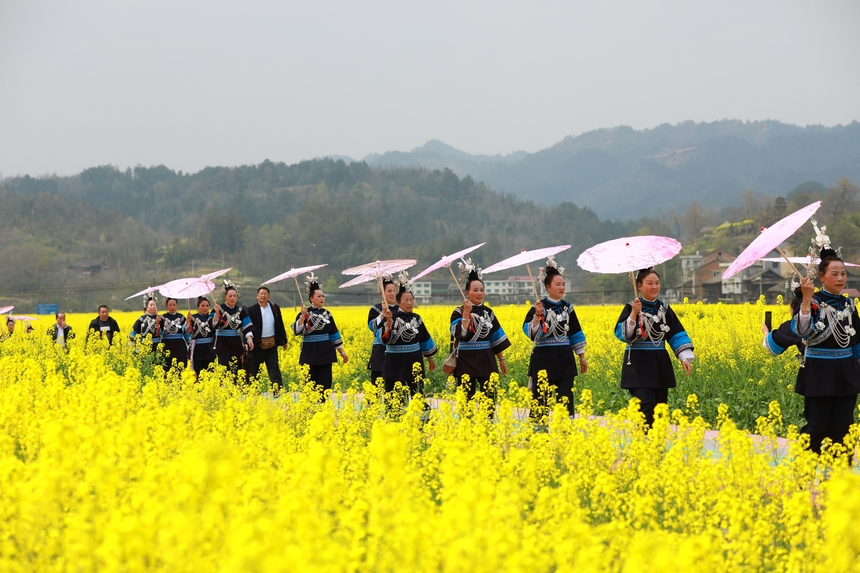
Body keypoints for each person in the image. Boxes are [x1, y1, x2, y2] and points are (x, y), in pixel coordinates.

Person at [792, 246, 860, 454]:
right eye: (834, 274)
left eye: (843, 274)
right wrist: (805, 298)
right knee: (817, 427)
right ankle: (804, 471)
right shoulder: (812, 302)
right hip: (818, 372)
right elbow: (802, 331)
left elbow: (856, 341)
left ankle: (839, 479)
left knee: (844, 430)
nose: (840, 278)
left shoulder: (849, 304)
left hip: (846, 372)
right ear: (822, 276)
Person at [615, 268, 694, 427]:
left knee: (660, 407)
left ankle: (656, 444)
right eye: (649, 283)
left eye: (657, 283)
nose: (654, 287)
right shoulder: (631, 307)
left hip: (659, 364)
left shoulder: (664, 309)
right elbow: (622, 334)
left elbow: (675, 333)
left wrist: (684, 358)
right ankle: (644, 442)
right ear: (639, 286)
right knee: (646, 403)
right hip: (638, 364)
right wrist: (633, 314)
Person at [523, 261, 587, 417]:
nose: (562, 287)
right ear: (548, 287)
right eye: (558, 284)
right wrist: (538, 315)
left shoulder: (568, 308)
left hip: (565, 358)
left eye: (563, 284)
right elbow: (531, 333)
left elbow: (575, 332)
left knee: (566, 397)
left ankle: (565, 432)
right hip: (543, 358)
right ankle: (538, 434)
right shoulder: (538, 307)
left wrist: (582, 357)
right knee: (540, 399)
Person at [449, 267, 511, 401]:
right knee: (466, 398)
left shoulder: (488, 312)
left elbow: (495, 339)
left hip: (486, 357)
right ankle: (467, 421)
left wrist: (501, 359)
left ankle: (487, 420)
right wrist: (466, 313)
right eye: (475, 290)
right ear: (467, 292)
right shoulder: (458, 312)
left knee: (489, 396)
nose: (479, 293)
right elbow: (460, 334)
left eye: (481, 290)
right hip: (465, 357)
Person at [291, 275, 348, 391]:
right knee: (309, 383)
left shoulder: (327, 314)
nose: (322, 298)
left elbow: (334, 334)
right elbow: (297, 331)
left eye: (323, 296)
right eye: (319, 296)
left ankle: (323, 405)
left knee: (325, 382)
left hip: (325, 351)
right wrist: (302, 316)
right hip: (309, 351)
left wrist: (342, 352)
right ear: (311, 298)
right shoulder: (305, 313)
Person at [382, 282, 437, 396]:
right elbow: (384, 338)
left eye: (411, 300)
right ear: (398, 302)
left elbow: (423, 338)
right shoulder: (390, 316)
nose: (409, 303)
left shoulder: (417, 318)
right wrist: (387, 322)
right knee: (394, 395)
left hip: (414, 360)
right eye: (406, 300)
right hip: (394, 361)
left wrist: (430, 358)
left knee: (417, 392)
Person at [246, 286, 289, 390]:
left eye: (265, 294)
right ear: (257, 296)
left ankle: (278, 392)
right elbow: (246, 327)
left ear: (269, 296)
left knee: (274, 369)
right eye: (261, 293)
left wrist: (284, 340)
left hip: (271, 344)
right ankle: (253, 392)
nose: (263, 295)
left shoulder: (275, 308)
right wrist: (247, 342)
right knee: (254, 371)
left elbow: (280, 324)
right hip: (257, 345)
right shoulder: (251, 310)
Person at [213, 281, 253, 379]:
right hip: (221, 341)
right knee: (224, 366)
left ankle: (235, 387)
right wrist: (216, 315)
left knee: (236, 366)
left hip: (235, 341)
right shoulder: (219, 308)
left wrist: (249, 339)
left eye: (234, 296)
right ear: (225, 297)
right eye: (230, 296)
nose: (232, 298)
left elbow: (246, 326)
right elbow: (213, 326)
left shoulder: (240, 310)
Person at [367, 277, 398, 383]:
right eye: (389, 291)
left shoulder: (400, 309)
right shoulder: (375, 309)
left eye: (394, 291)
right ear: (382, 293)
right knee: (377, 382)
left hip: (396, 350)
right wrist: (382, 314)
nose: (392, 294)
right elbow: (372, 326)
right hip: (380, 349)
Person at [187, 296, 217, 378]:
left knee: (210, 373)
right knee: (197, 372)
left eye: (207, 306)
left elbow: (216, 327)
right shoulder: (193, 318)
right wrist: (187, 321)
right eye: (202, 306)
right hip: (197, 349)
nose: (205, 308)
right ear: (198, 307)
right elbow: (186, 331)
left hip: (209, 348)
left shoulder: (211, 318)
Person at [160, 297, 189, 371]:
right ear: (166, 306)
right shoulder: (162, 318)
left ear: (177, 306)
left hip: (179, 346)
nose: (172, 307)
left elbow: (185, 332)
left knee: (180, 369)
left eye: (174, 305)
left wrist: (188, 322)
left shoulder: (181, 317)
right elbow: (159, 333)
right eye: (170, 305)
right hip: (166, 345)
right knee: (166, 369)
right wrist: (157, 323)